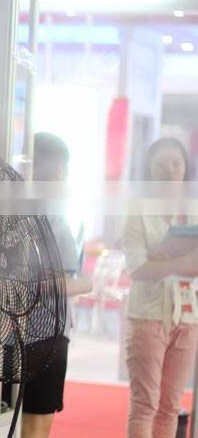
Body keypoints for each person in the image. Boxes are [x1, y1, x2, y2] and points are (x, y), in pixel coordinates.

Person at [121, 137, 198, 438]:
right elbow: (138, 269)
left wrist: (164, 262)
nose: (170, 170)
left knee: (170, 407)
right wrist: (183, 262)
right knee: (145, 405)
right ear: (149, 170)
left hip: (188, 317)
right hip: (148, 317)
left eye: (176, 163)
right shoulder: (137, 211)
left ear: (185, 168)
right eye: (161, 164)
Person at [22, 133, 93, 438]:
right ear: (60, 170)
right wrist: (87, 283)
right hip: (46, 334)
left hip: (10, 334)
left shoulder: (12, 211)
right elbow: (52, 283)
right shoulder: (55, 217)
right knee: (36, 424)